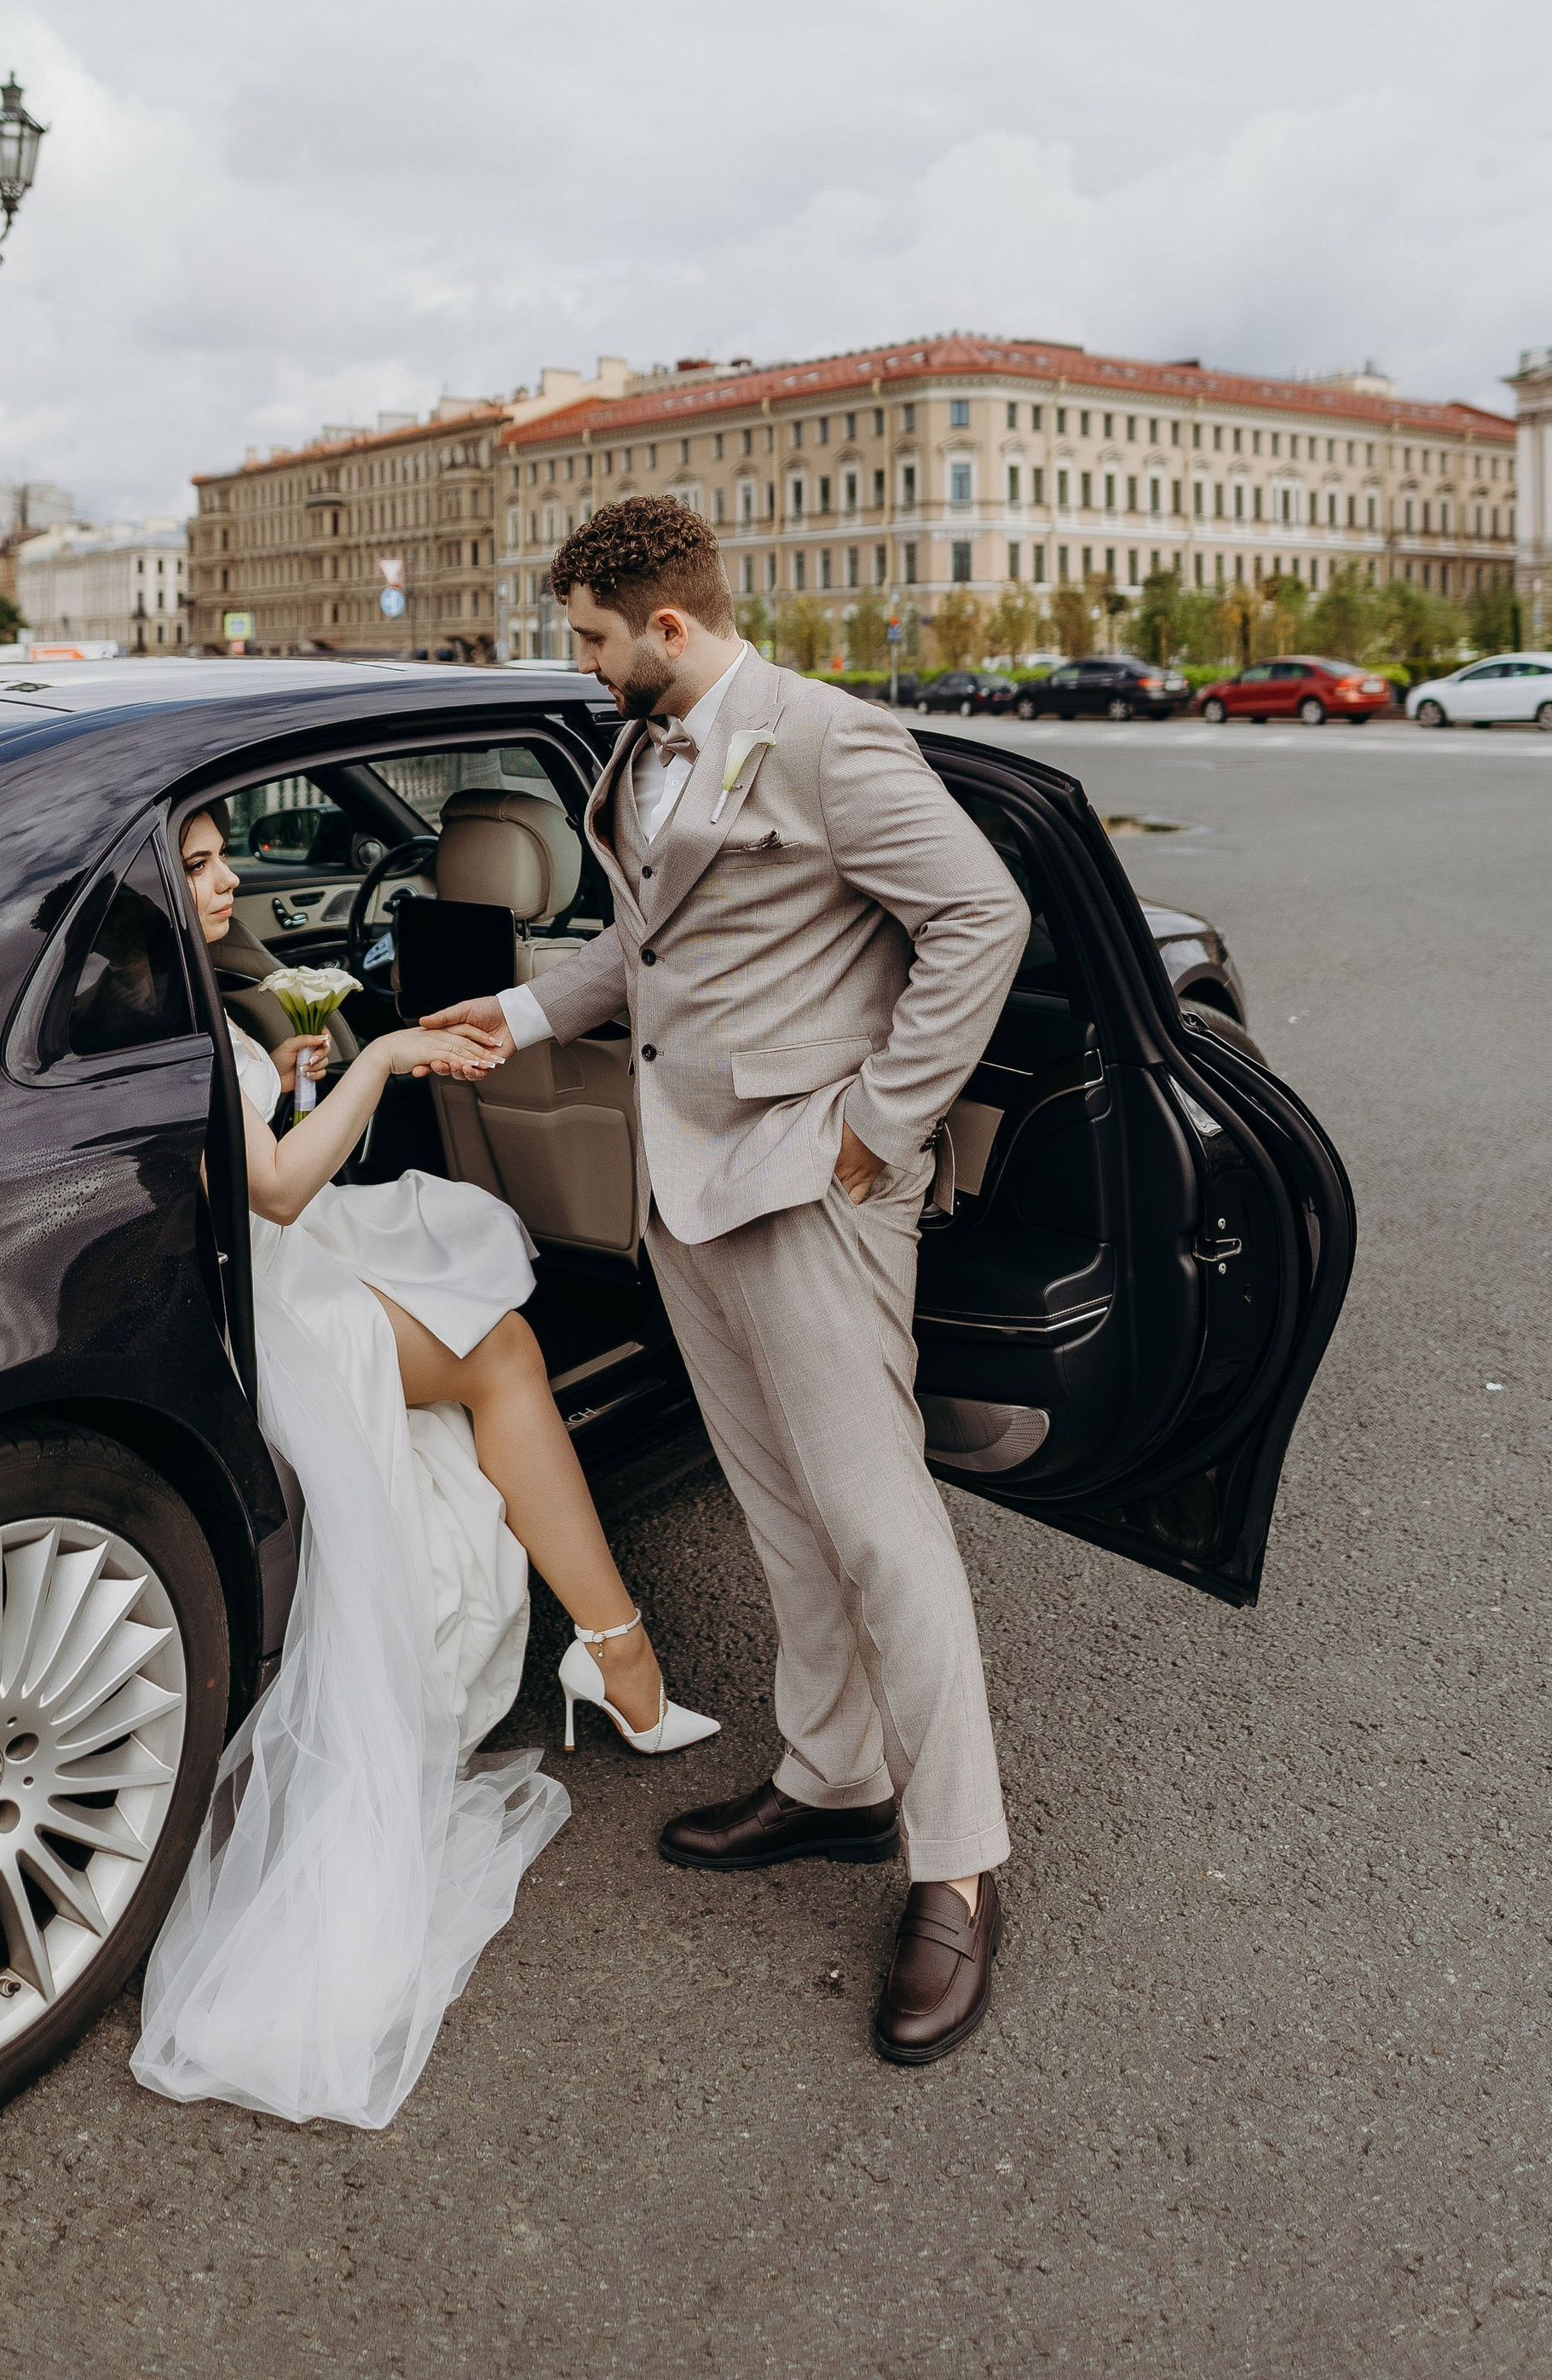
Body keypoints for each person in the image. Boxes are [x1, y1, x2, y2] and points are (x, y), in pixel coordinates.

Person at [420, 498, 1030, 2065]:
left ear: (668, 630)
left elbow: (982, 916)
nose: (579, 661)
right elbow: (645, 946)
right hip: (683, 1187)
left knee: (882, 1524)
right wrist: (521, 1018)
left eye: (590, 638)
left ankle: (958, 1868)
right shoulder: (640, 750)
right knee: (779, 1512)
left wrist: (879, 1132)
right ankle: (835, 1782)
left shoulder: (831, 742)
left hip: (810, 1180)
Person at [132, 807, 715, 2130]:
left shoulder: (153, 990)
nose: (230, 880)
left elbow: (240, 1158)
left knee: (462, 1252)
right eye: (202, 861)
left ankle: (610, 1650)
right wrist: (381, 1055)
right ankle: (617, 1652)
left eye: (227, 854)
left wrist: (285, 1063)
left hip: (231, 1284)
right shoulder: (183, 1003)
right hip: (270, 1306)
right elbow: (274, 1192)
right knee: (504, 1349)